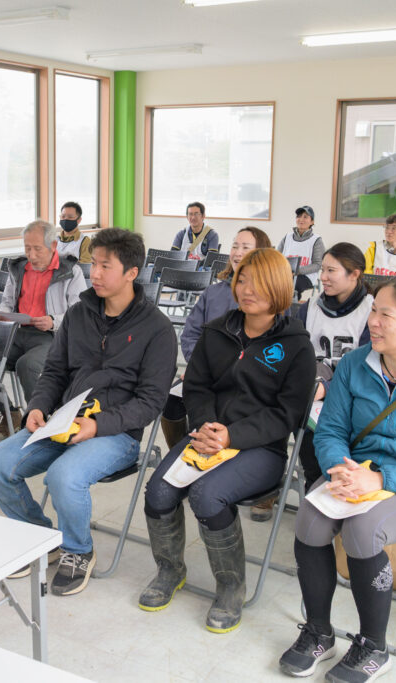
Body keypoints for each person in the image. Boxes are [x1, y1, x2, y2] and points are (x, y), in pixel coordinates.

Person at [278, 276, 396, 682]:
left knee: (363, 530)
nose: (374, 323)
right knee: (309, 521)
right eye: (374, 311)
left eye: (387, 315)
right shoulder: (353, 365)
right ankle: (318, 631)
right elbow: (330, 431)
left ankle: (373, 646)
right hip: (355, 473)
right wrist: (341, 468)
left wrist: (380, 479)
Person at [0, 228, 177, 597]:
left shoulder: (158, 329)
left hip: (116, 433)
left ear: (132, 273)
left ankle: (77, 550)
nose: (94, 274)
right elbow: (54, 371)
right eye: (94, 264)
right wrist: (37, 407)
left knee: (64, 475)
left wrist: (97, 425)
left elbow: (150, 402)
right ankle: (42, 538)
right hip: (64, 421)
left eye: (105, 266)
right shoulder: (78, 314)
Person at [140, 248, 316, 633]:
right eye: (242, 280)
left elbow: (288, 413)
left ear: (279, 288)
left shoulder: (296, 345)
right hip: (208, 437)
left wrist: (232, 435)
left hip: (261, 449)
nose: (246, 289)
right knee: (158, 490)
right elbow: (197, 386)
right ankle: (170, 570)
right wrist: (206, 426)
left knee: (207, 495)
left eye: (258, 283)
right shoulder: (217, 331)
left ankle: (230, 587)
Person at [0, 219, 88, 443]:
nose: (32, 255)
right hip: (18, 333)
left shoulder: (70, 271)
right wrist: (2, 313)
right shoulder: (18, 269)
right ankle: (10, 415)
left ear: (53, 246)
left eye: (37, 249)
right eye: (27, 248)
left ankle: (40, 421)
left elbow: (79, 313)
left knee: (27, 366)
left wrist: (52, 321)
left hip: (52, 336)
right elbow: (7, 302)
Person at [168, 226, 272, 444]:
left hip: (245, 382)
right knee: (171, 401)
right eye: (235, 246)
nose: (238, 253)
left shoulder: (269, 297)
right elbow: (190, 335)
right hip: (205, 374)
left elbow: (267, 350)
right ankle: (181, 450)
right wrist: (198, 369)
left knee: (221, 408)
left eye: (245, 247)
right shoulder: (213, 293)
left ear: (261, 253)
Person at [293, 242, 373, 489]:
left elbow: (369, 367)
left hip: (353, 393)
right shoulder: (310, 308)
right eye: (322, 270)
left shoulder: (371, 312)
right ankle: (310, 482)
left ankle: (331, 482)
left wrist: (327, 388)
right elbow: (296, 353)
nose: (323, 277)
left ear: (354, 274)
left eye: (331, 271)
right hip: (312, 390)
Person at [278, 205, 324, 296]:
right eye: (298, 216)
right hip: (285, 273)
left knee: (290, 285)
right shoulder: (287, 237)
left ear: (312, 222)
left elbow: (317, 265)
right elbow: (276, 256)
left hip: (305, 276)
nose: (301, 219)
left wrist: (297, 271)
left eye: (305, 217)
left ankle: (290, 304)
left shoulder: (316, 240)